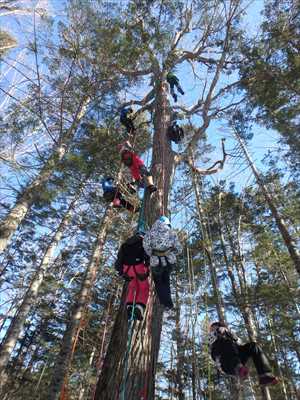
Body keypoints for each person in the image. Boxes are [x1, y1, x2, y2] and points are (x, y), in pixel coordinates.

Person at [209, 321, 279, 386]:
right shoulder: (212, 339)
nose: (214, 330)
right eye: (213, 330)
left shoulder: (229, 334)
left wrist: (229, 332)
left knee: (253, 346)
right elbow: (214, 354)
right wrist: (217, 334)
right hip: (226, 364)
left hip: (238, 357)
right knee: (226, 342)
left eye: (215, 328)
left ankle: (265, 375)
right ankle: (238, 368)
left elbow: (240, 343)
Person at [143, 216, 182, 309]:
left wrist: (151, 254)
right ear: (167, 223)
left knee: (158, 282)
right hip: (169, 260)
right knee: (166, 280)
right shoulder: (172, 233)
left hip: (155, 261)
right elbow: (179, 249)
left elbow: (146, 246)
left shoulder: (150, 233)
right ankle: (168, 303)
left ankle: (164, 302)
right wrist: (173, 252)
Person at [115, 232, 150, 320]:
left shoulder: (125, 244)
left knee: (132, 287)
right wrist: (147, 267)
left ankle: (129, 307)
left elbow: (119, 260)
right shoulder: (144, 242)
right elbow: (147, 255)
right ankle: (139, 307)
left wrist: (121, 273)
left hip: (127, 269)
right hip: (139, 267)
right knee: (143, 288)